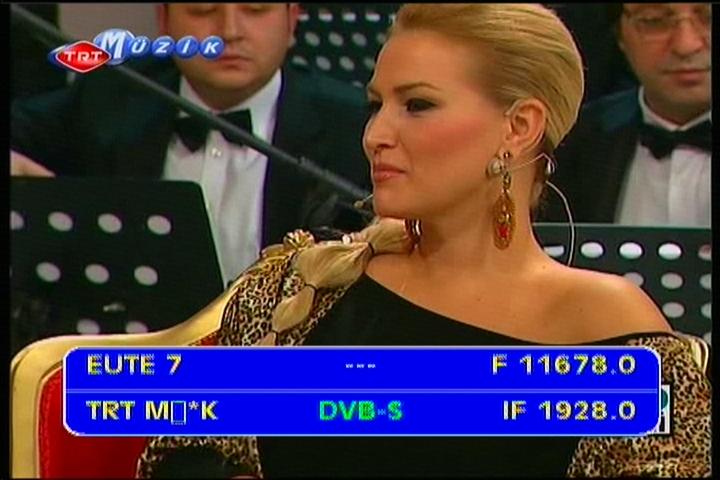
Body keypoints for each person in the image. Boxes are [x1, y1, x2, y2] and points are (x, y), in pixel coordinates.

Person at [136, 4, 710, 478]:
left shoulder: (609, 331)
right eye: (376, 105)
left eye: (417, 105)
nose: (375, 135)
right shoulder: (303, 287)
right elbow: (182, 451)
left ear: (519, 127)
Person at [10, 3, 371, 285]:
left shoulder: (354, 126)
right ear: (164, 21)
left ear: (291, 21)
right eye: (202, 10)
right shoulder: (112, 96)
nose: (230, 32)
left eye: (255, 9)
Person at [544, 3, 711, 226]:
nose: (686, 45)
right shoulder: (569, 141)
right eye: (654, 20)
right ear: (620, 36)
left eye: (710, 17)